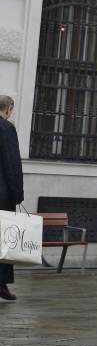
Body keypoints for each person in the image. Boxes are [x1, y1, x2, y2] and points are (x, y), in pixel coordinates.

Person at [0, 93, 24, 302]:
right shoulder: (6, 128)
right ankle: (1, 283)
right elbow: (12, 163)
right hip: (1, 197)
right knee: (4, 240)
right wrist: (17, 194)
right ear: (8, 109)